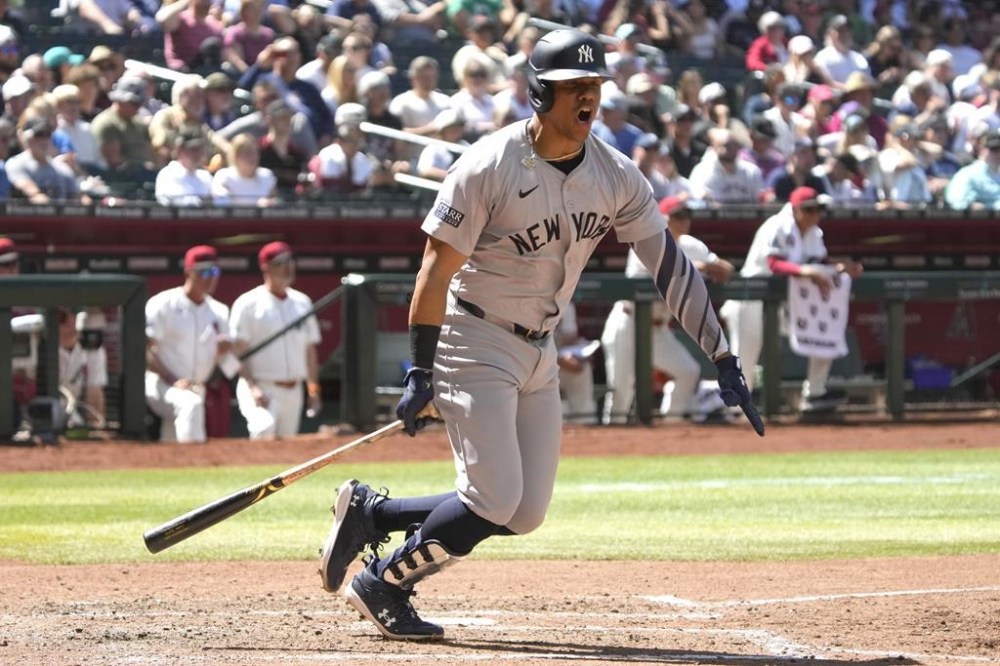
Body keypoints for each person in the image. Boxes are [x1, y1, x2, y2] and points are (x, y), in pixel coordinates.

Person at [315, 28, 761, 642]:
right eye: (573, 87)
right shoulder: (488, 164)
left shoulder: (615, 174)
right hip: (474, 339)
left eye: (594, 86)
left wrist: (722, 351)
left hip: (538, 349)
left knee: (524, 512)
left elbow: (668, 264)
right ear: (539, 94)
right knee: (493, 500)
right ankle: (384, 582)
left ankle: (373, 514)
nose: (588, 98)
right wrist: (420, 368)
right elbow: (434, 270)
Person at [719, 186, 863, 413]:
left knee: (823, 334)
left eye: (819, 209)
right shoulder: (778, 225)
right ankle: (733, 412)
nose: (816, 214)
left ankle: (815, 393)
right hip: (751, 299)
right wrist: (807, 271)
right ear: (795, 209)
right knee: (745, 360)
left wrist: (841, 266)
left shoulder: (814, 232)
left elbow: (819, 260)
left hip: (785, 302)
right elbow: (774, 263)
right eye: (810, 209)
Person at [601, 196, 734, 424]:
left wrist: (713, 267)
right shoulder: (645, 240)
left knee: (688, 371)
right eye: (678, 216)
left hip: (659, 330)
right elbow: (663, 273)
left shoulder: (692, 245)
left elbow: (726, 269)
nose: (685, 221)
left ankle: (670, 424)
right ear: (662, 218)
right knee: (622, 391)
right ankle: (612, 440)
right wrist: (700, 267)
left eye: (687, 215)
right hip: (628, 324)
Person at [229, 242, 322, 440]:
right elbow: (238, 352)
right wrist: (252, 387)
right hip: (262, 386)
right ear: (266, 267)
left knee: (286, 448)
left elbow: (310, 351)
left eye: (290, 261)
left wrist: (312, 388)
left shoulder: (302, 302)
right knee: (263, 430)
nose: (287, 267)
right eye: (280, 262)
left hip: (294, 389)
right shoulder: (247, 303)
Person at [145, 245, 231, 444]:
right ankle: (196, 463)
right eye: (203, 272)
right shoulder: (164, 303)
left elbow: (222, 360)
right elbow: (146, 349)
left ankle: (173, 469)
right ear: (188, 271)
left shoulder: (219, 311)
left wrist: (223, 352)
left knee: (173, 438)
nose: (210, 277)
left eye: (214, 271)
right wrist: (171, 378)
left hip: (195, 386)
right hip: (162, 384)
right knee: (189, 405)